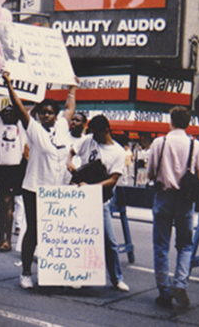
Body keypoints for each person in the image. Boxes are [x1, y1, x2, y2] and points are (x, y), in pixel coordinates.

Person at [2, 71, 77, 289]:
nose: (46, 116)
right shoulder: (34, 129)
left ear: (55, 116)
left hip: (57, 190)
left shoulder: (62, 127)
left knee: (56, 232)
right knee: (34, 231)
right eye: (43, 113)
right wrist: (9, 84)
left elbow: (70, 108)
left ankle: (57, 273)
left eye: (50, 113)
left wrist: (72, 88)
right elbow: (19, 107)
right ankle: (26, 273)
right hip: (34, 188)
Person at [146, 106, 199, 308]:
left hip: (163, 196)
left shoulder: (159, 143)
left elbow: (150, 173)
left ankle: (164, 291)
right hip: (185, 200)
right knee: (185, 245)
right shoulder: (197, 146)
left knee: (161, 245)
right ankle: (180, 284)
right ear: (188, 123)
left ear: (170, 121)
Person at [68, 115, 130, 292]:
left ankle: (117, 278)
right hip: (81, 193)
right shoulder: (89, 139)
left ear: (106, 131)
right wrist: (69, 162)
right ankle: (80, 275)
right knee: (80, 237)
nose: (94, 137)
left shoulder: (118, 152)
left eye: (97, 133)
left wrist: (91, 187)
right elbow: (72, 151)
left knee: (109, 240)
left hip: (100, 198)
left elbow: (113, 179)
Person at [0, 96, 27, 253]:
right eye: (6, 112)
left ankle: (8, 241)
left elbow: (27, 112)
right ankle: (1, 238)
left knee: (8, 204)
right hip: (0, 170)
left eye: (12, 112)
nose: (8, 114)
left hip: (14, 170)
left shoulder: (20, 126)